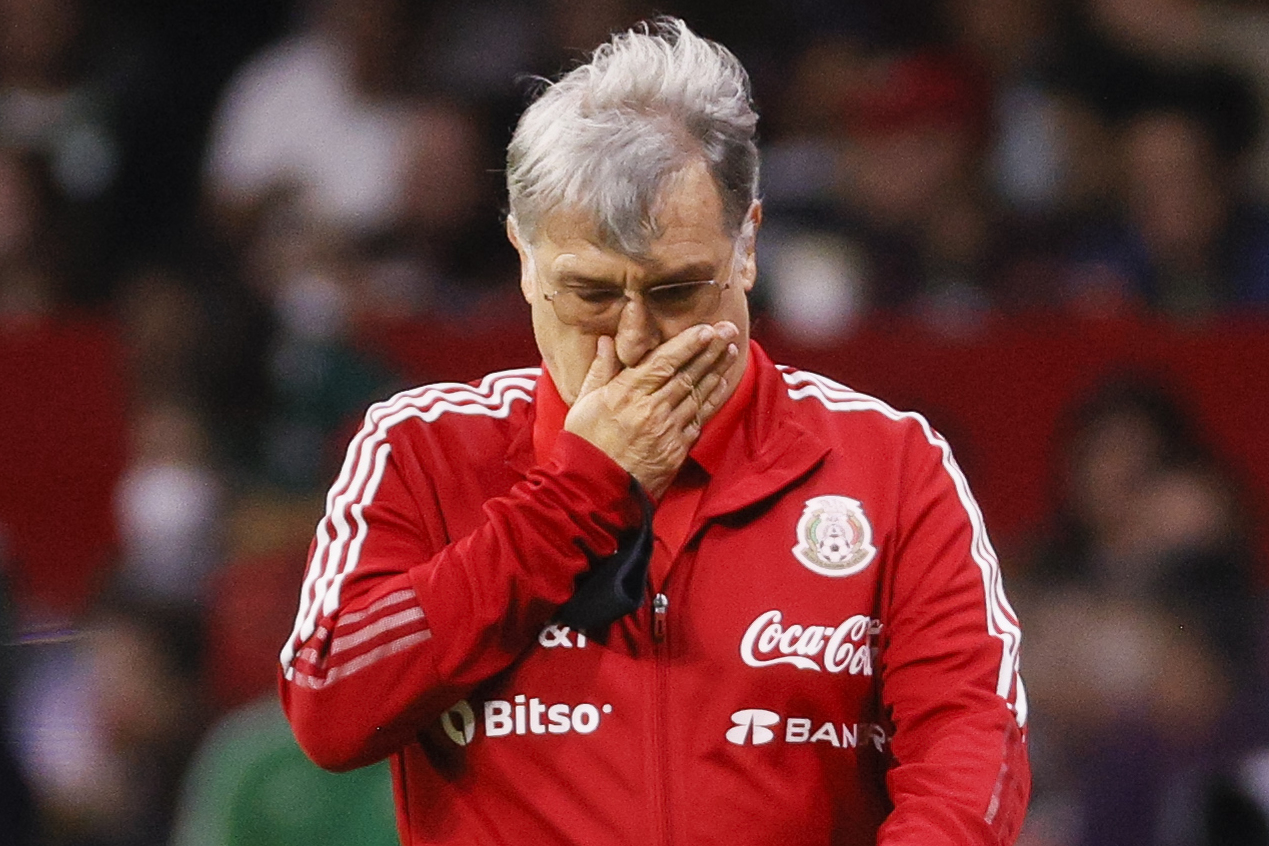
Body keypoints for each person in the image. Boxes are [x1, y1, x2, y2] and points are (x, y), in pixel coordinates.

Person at [279, 18, 1030, 845]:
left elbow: (969, 746)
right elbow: (329, 706)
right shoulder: (419, 451)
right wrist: (572, 493)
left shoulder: (888, 465)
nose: (634, 339)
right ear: (522, 258)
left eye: (676, 290)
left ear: (746, 245)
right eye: (591, 295)